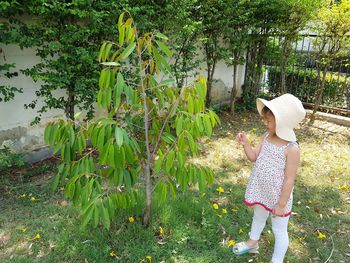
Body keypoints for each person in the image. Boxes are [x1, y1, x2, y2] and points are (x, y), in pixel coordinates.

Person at [233, 93, 306, 263]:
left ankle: (277, 260)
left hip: (278, 196)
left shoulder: (292, 148)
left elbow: (289, 179)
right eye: (265, 119)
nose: (265, 123)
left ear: (283, 122)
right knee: (258, 216)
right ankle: (252, 242)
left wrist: (281, 204)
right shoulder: (266, 137)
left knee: (279, 230)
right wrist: (246, 144)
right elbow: (254, 157)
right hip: (261, 189)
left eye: (269, 120)